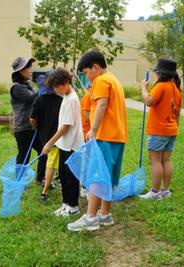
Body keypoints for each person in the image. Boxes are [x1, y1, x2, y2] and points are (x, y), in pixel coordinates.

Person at [67, 50, 128, 231]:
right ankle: (105, 214)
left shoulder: (101, 80)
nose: (87, 77)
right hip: (117, 136)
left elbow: (101, 104)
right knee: (108, 176)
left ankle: (91, 217)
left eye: (86, 73)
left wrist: (93, 129)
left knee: (96, 175)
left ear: (95, 67)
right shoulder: (114, 80)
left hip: (104, 135)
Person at [42, 67, 84, 216]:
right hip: (64, 144)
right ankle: (65, 204)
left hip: (72, 145)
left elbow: (66, 126)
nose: (55, 90)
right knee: (63, 176)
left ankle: (73, 207)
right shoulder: (66, 96)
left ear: (65, 82)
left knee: (71, 177)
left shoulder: (72, 99)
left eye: (56, 86)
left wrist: (49, 143)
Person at [139, 58, 182, 200]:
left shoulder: (160, 86)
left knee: (155, 161)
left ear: (158, 73)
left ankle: (155, 192)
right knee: (167, 160)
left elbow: (149, 101)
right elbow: (177, 113)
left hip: (158, 130)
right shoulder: (176, 89)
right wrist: (176, 127)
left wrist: (143, 88)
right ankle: (165, 190)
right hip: (172, 130)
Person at [10, 57, 46, 184]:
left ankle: (41, 178)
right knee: (24, 155)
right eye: (28, 68)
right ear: (20, 71)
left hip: (33, 126)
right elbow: (31, 99)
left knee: (44, 151)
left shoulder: (28, 85)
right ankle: (20, 181)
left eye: (31, 67)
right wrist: (42, 88)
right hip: (23, 128)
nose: (31, 70)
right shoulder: (16, 87)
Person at [30, 73, 62, 201]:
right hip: (58, 137)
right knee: (52, 163)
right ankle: (44, 191)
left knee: (49, 161)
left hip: (44, 136)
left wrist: (36, 126)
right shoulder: (61, 101)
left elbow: (32, 119)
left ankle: (47, 183)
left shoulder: (38, 100)